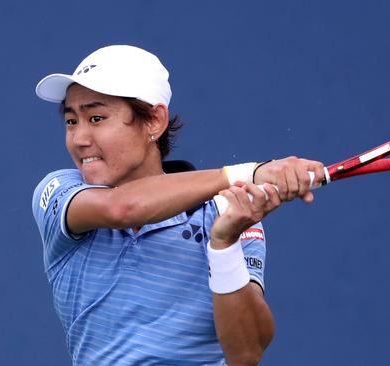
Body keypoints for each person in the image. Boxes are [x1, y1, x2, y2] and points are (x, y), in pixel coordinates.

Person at [31, 45, 325, 366]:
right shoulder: (58, 192)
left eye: (97, 118)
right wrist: (249, 172)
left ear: (154, 122)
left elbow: (246, 353)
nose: (79, 138)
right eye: (71, 121)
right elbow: (122, 208)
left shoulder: (226, 209)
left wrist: (223, 245)